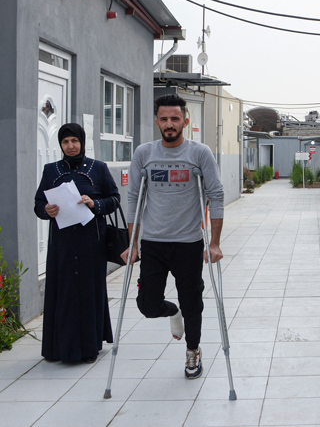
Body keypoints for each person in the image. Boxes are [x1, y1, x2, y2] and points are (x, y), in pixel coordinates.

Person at [122, 94, 224, 379]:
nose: (169, 124)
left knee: (193, 302)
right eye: (164, 119)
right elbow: (134, 199)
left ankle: (193, 350)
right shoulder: (145, 153)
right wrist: (132, 244)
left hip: (189, 243)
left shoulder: (200, 153)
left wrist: (214, 243)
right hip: (153, 243)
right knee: (147, 305)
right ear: (157, 121)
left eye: (175, 119)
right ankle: (172, 313)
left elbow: (215, 195)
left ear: (185, 121)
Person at [34, 123, 119, 363]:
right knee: (63, 290)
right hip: (62, 243)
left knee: (88, 290)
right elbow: (38, 203)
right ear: (60, 145)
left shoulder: (98, 168)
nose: (70, 146)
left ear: (82, 142)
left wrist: (95, 204)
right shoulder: (51, 170)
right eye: (65, 142)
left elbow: (114, 198)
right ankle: (58, 347)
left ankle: (89, 347)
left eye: (74, 141)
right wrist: (46, 210)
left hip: (91, 241)